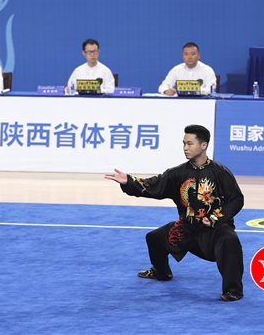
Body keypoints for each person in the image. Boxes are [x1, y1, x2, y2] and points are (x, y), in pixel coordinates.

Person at [104, 124, 245, 302]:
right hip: (187, 228)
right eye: (184, 143)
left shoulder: (221, 173)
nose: (185, 148)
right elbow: (154, 185)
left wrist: (215, 217)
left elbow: (236, 199)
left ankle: (233, 290)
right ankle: (161, 272)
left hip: (214, 229)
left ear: (204, 145)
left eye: (190, 143)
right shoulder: (178, 173)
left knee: (230, 240)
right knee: (154, 238)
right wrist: (129, 181)